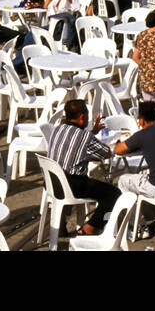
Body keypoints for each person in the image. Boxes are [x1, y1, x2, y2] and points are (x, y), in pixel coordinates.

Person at [44, 98, 120, 236]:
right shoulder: (85, 137)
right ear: (82, 117)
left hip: (51, 182)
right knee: (114, 194)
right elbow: (107, 153)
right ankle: (92, 226)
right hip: (71, 185)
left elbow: (75, 145)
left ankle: (60, 222)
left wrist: (93, 132)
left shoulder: (58, 128)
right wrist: (92, 135)